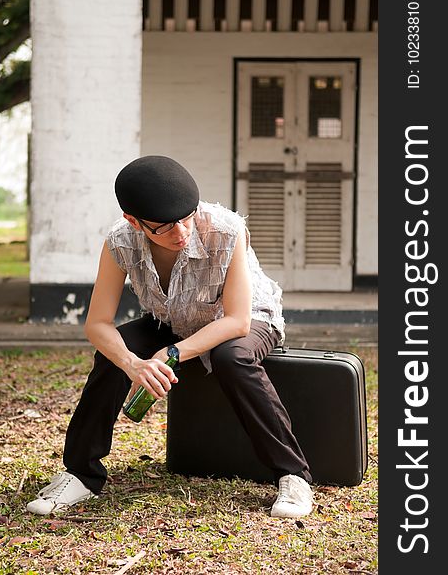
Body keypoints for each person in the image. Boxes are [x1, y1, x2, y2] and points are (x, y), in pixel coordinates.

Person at [26, 155, 313, 519]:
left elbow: (238, 321)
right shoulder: (121, 240)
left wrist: (171, 353)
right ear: (134, 220)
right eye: (163, 227)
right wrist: (133, 364)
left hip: (246, 317)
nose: (180, 232)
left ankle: (293, 475)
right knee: (115, 352)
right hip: (173, 318)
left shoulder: (227, 230)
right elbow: (97, 324)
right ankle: (81, 474)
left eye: (186, 218)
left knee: (232, 357)